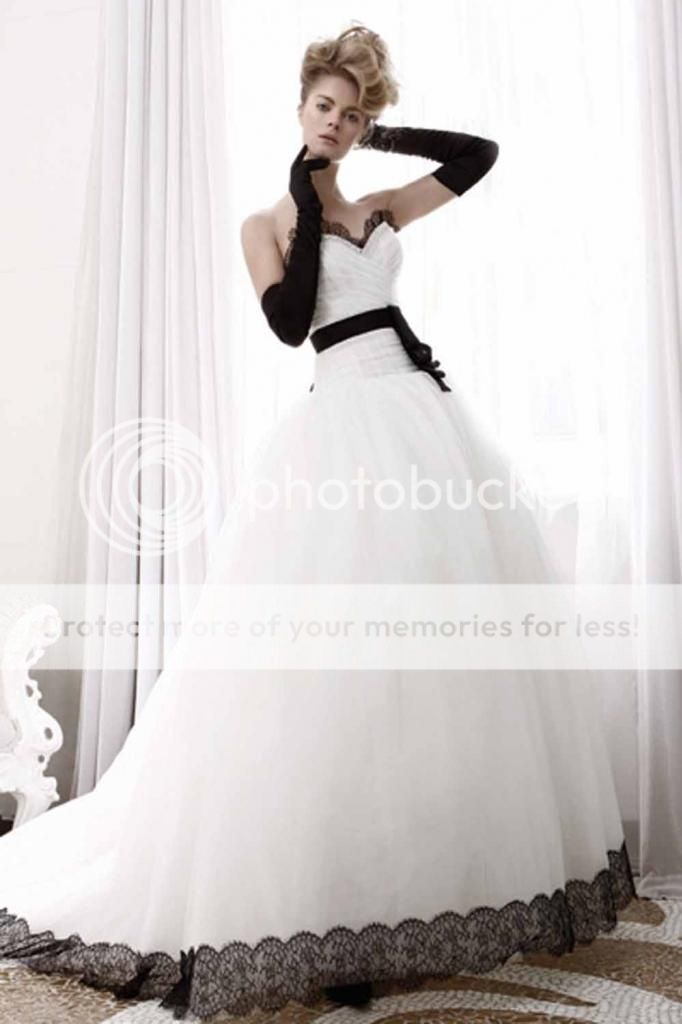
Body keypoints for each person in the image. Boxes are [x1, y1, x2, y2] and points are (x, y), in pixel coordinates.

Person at [0, 22, 635, 1023]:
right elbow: (292, 323)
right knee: (335, 672)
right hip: (341, 432)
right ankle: (332, 913)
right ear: (299, 108)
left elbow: (478, 155)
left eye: (349, 111)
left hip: (423, 422)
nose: (334, 122)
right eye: (324, 107)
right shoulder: (264, 225)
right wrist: (304, 197)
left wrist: (378, 139)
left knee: (428, 673)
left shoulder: (381, 204)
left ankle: (409, 891)